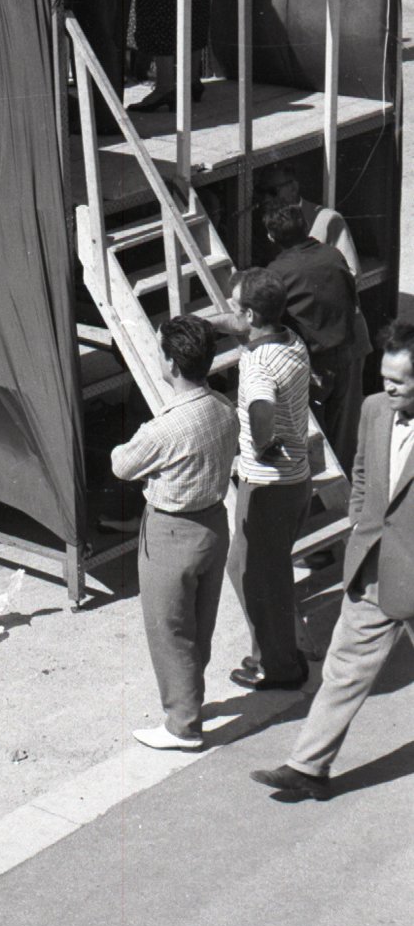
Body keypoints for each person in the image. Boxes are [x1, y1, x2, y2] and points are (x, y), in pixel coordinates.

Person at [252, 321, 414, 801]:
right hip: (373, 569)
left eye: (400, 382)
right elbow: (362, 473)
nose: (388, 388)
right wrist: (360, 522)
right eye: (385, 378)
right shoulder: (374, 409)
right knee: (343, 668)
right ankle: (308, 767)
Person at [109, 315, 238, 751]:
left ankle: (182, 726)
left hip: (171, 534)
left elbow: (122, 464)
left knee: (169, 630)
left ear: (172, 364)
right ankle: (190, 701)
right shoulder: (223, 408)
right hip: (213, 525)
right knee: (199, 625)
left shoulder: (164, 428)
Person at [219, 268, 314, 692]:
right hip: (294, 480)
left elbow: (261, 407)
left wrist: (260, 443)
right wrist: (204, 325)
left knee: (257, 577)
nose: (229, 312)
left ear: (251, 316)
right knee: (253, 569)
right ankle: (273, 651)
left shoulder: (257, 365)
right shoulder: (289, 338)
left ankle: (279, 666)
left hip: (267, 487)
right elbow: (238, 323)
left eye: (234, 307)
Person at [263, 202, 363, 475]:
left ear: (271, 237)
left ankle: (318, 489)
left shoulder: (276, 272)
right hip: (347, 355)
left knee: (314, 438)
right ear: (306, 227)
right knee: (343, 434)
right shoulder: (333, 254)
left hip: (314, 366)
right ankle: (345, 484)